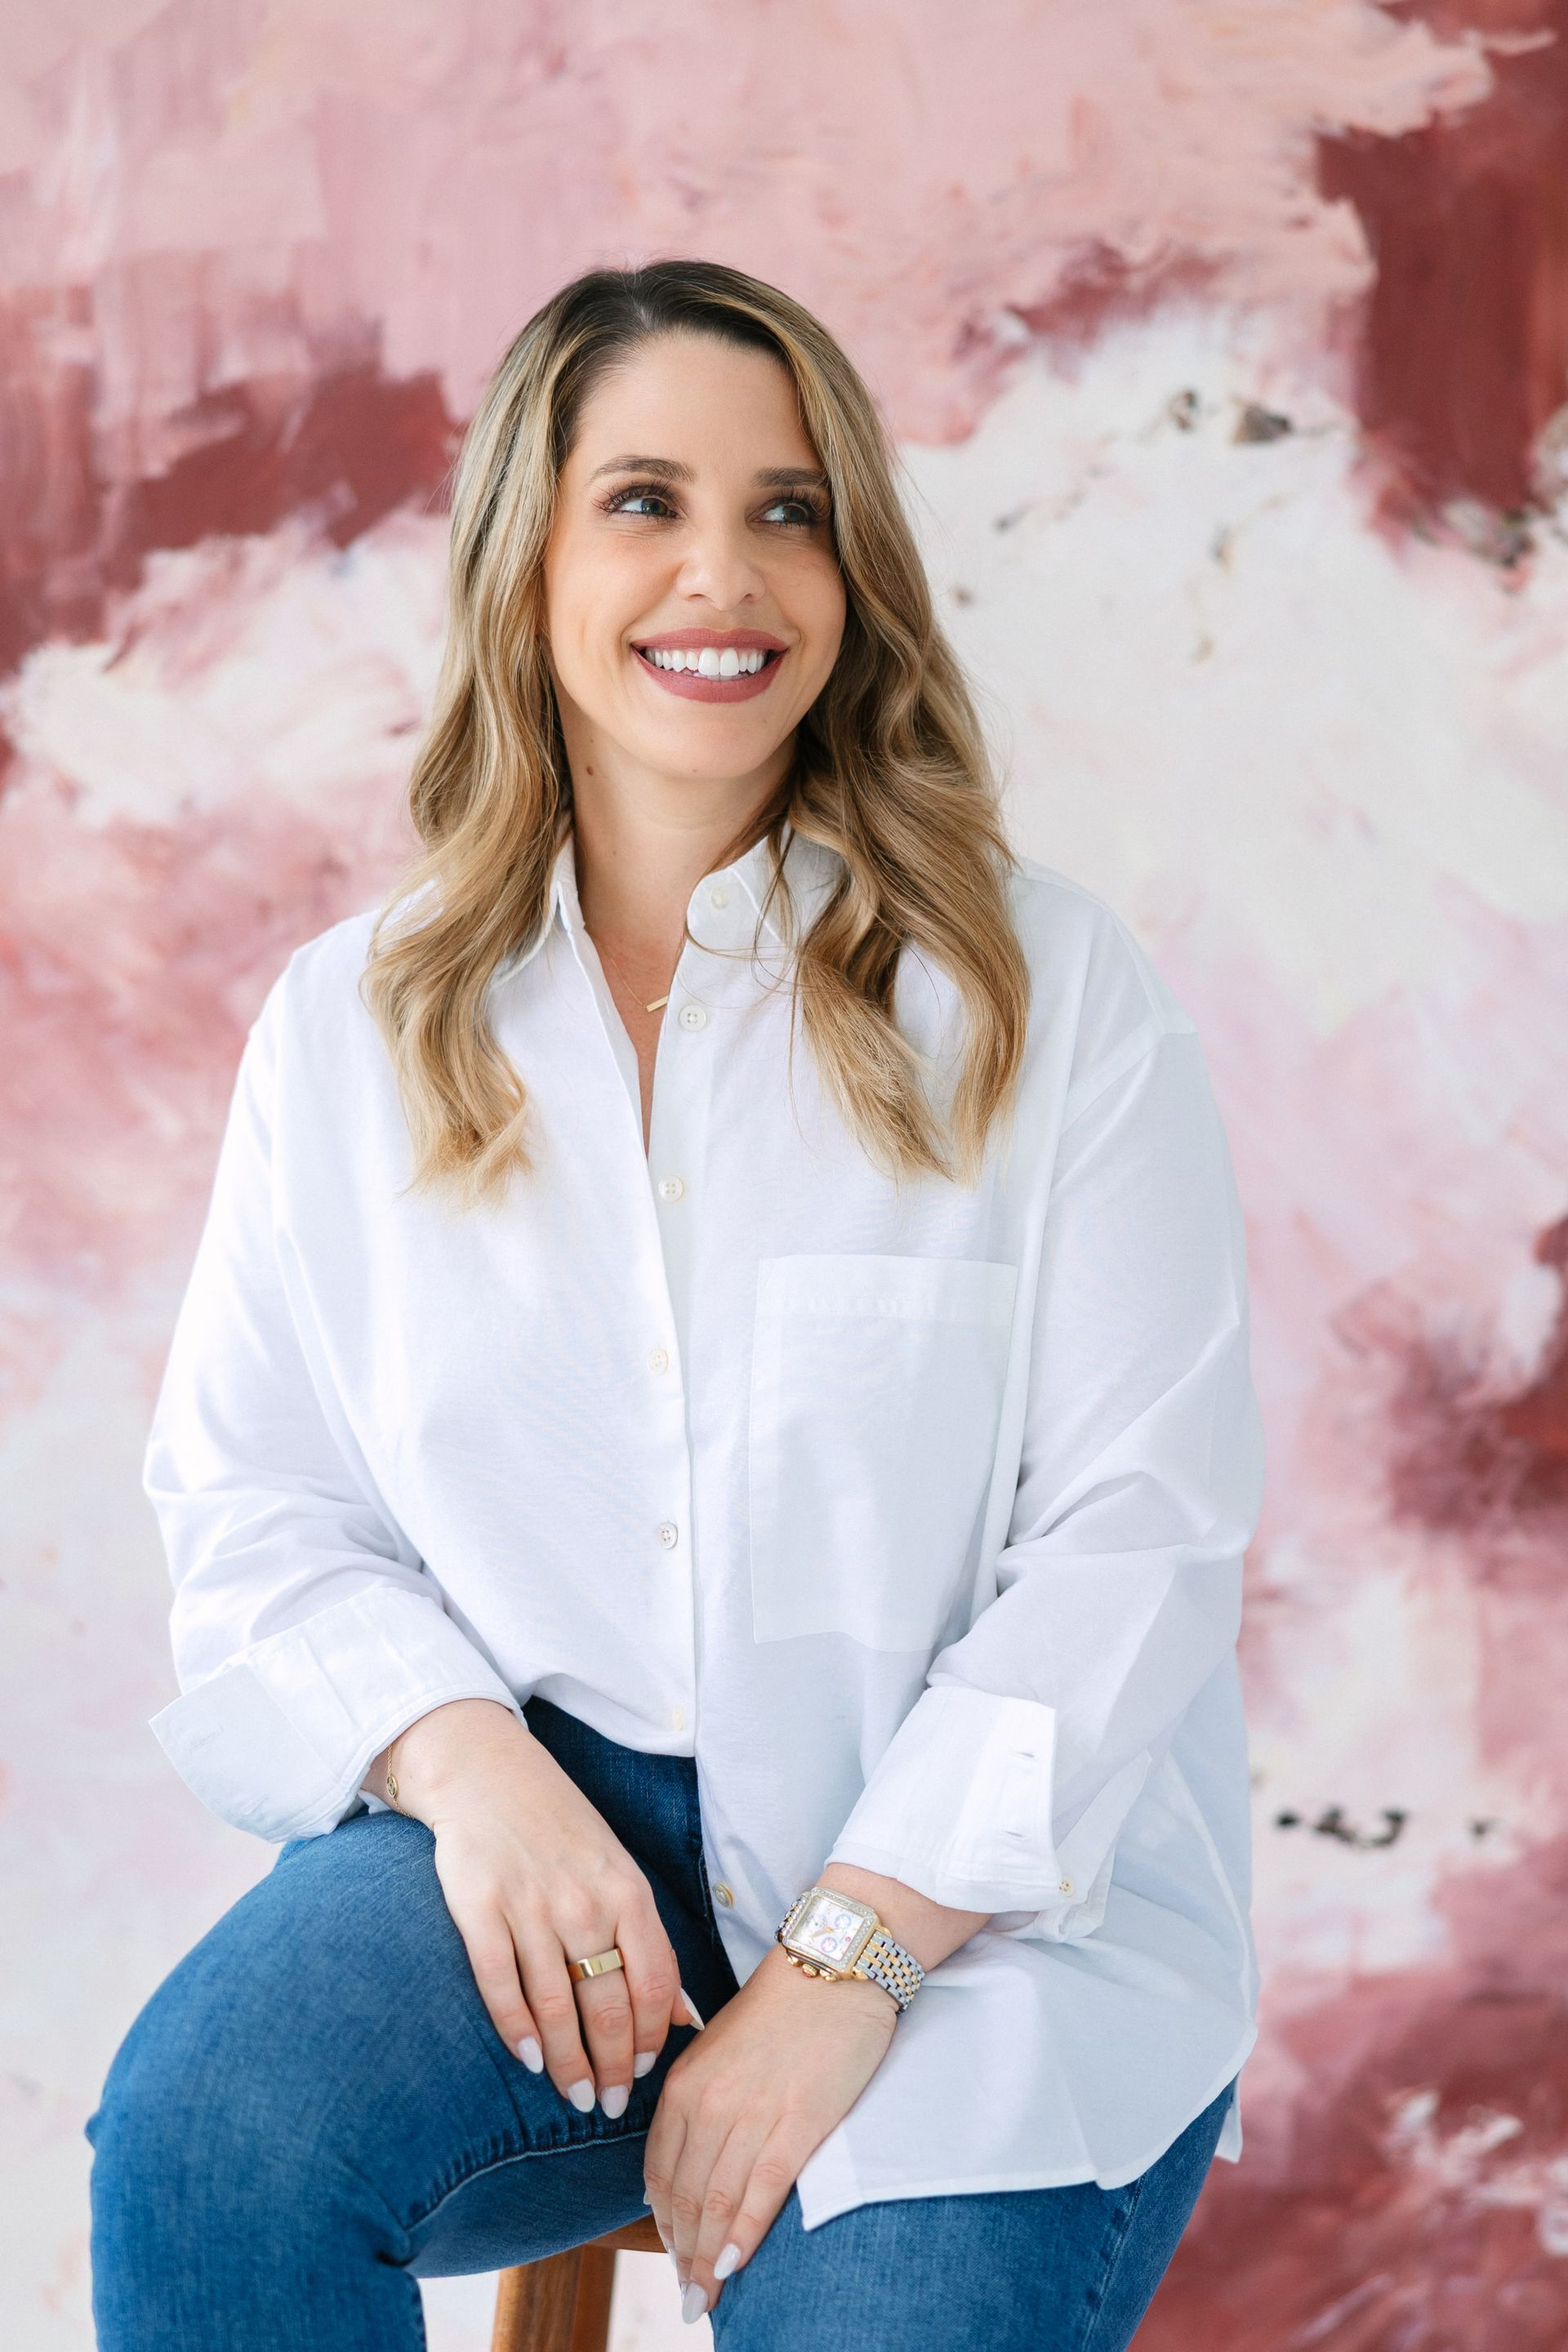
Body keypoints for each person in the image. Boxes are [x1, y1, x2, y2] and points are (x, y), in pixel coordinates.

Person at [87, 258, 1266, 2351]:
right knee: (211, 2141)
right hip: (554, 1847)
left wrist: (846, 1965)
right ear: (524, 557)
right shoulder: (353, 1027)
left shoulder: (1047, 998)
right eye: (643, 499)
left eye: (789, 509)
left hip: (980, 1903)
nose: (724, 572)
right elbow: (257, 1501)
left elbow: (1137, 1545)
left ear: (854, 567)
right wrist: (474, 1771)